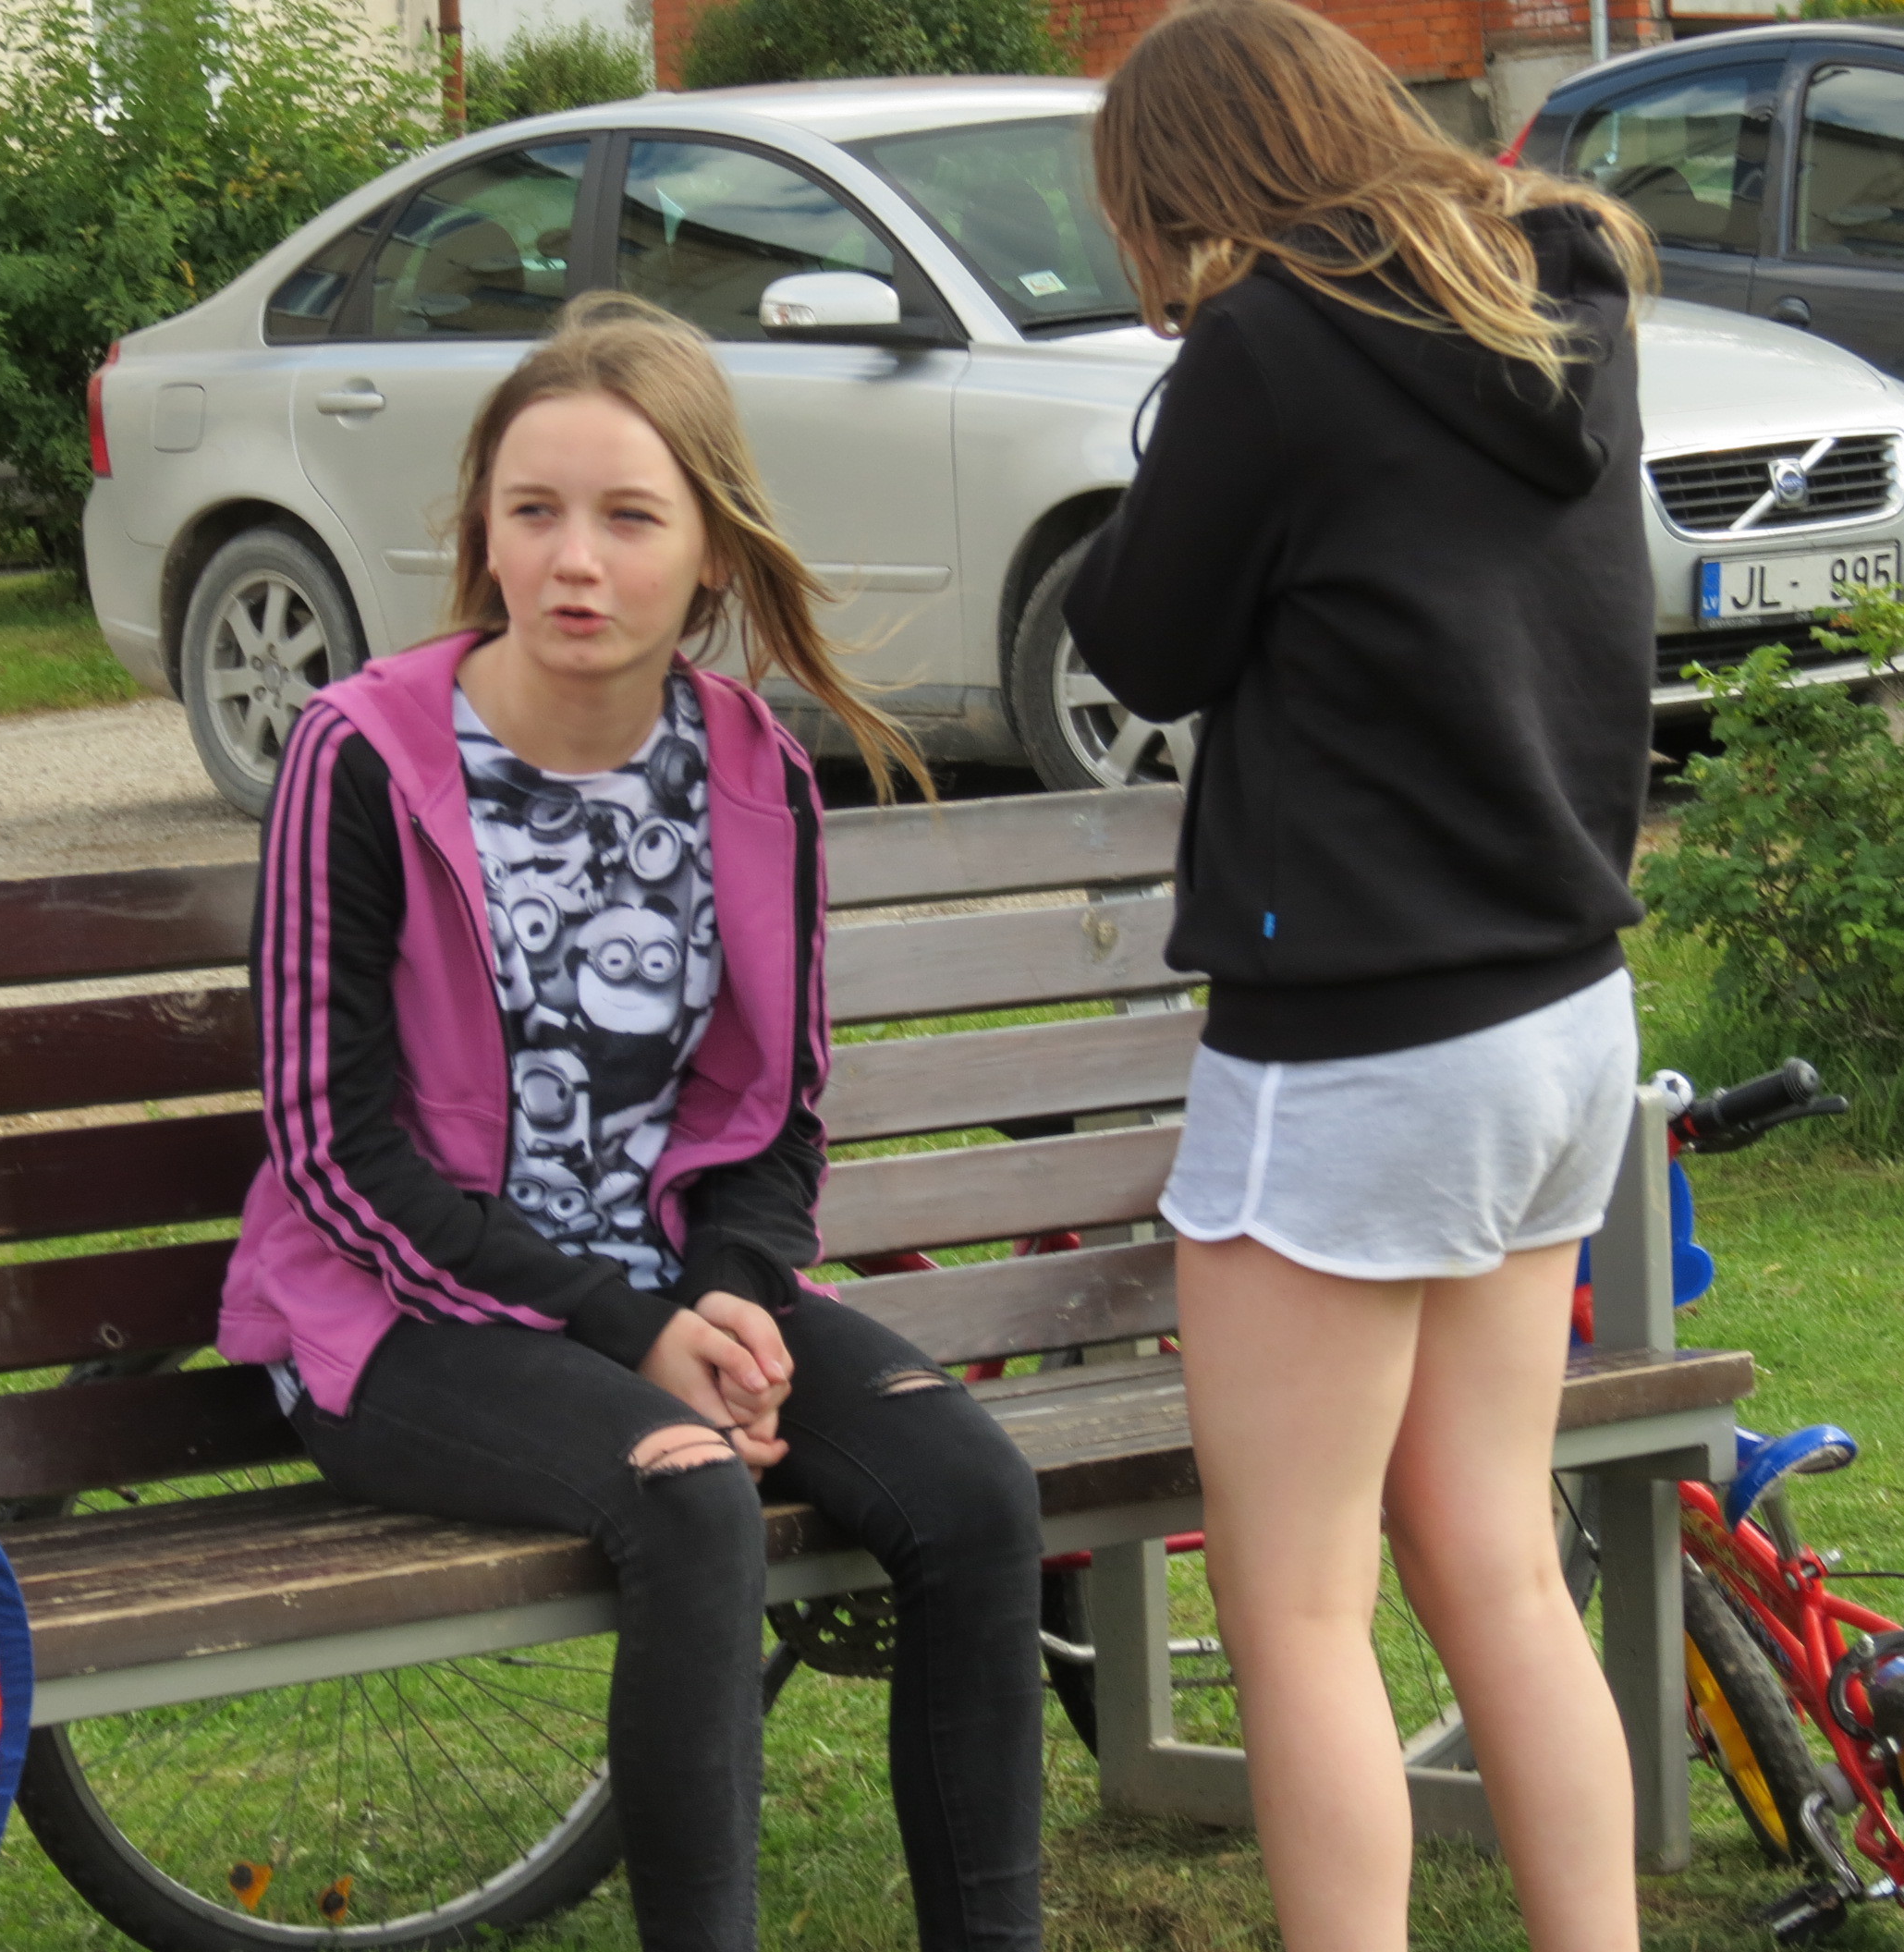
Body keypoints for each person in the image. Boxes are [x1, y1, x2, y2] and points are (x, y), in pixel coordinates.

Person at [217, 291, 1046, 1952]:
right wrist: (634, 1332)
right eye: (533, 512)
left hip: (663, 1292)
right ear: (483, 532)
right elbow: (331, 1146)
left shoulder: (753, 768)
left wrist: (727, 1297)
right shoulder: (358, 757)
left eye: (629, 518)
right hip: (400, 1319)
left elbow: (774, 1111)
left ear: (711, 551)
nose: (574, 561)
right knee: (688, 1493)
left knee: (975, 1492)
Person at [1063, 6, 1659, 1949]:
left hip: (1360, 1043)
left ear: (1186, 188)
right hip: (1559, 1011)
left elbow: (1146, 642)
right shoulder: (1561, 296)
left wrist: (1170, 424)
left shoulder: (1268, 346)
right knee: (1496, 1560)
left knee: (1296, 1601)